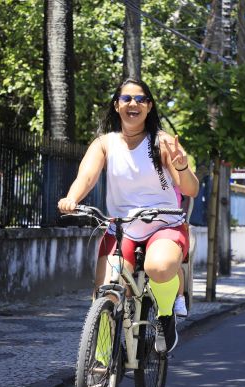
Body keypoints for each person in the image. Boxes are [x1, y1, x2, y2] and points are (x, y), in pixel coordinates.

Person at [57, 78, 199, 352]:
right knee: (106, 293)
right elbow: (86, 177)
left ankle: (165, 315)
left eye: (140, 99)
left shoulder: (162, 142)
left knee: (158, 267)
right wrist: (72, 198)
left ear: (149, 106)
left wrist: (181, 166)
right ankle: (100, 363)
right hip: (122, 228)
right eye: (126, 99)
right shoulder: (104, 143)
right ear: (116, 105)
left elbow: (190, 189)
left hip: (165, 224)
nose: (132, 104)